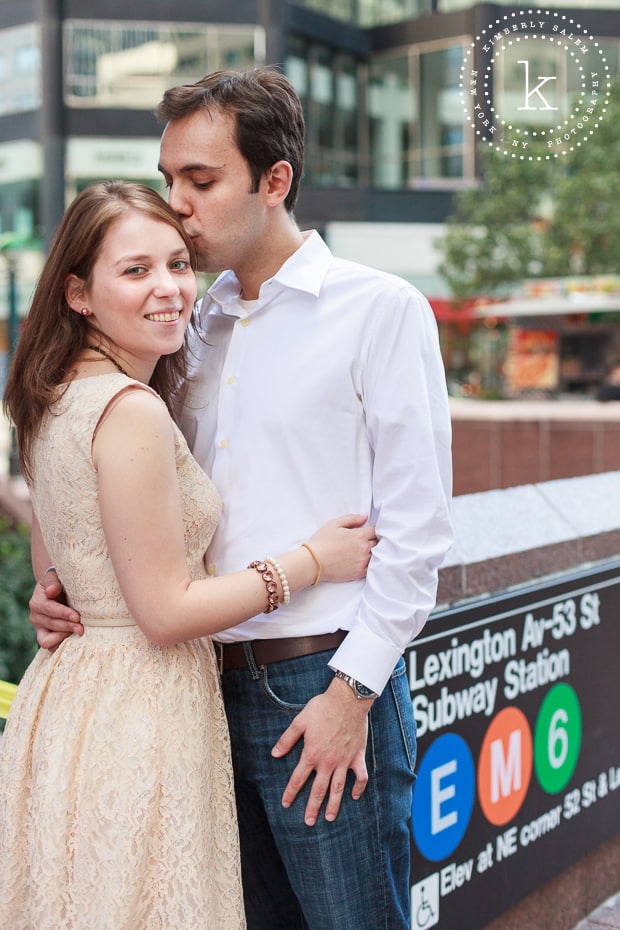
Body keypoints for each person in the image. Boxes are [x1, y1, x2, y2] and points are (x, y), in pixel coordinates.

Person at [29, 68, 454, 930]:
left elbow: (417, 538)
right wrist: (69, 586)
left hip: (318, 683)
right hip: (187, 692)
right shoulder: (186, 323)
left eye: (201, 180)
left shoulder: (380, 310)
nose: (177, 203)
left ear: (274, 182)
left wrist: (352, 697)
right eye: (169, 178)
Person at [1, 180, 376, 930]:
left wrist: (57, 594)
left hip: (68, 701)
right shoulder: (130, 409)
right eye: (135, 271)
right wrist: (309, 560)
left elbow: (58, 574)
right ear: (77, 292)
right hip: (139, 705)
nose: (170, 288)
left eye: (177, 263)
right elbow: (167, 612)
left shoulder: (49, 397)